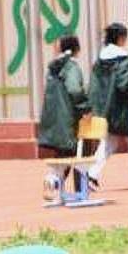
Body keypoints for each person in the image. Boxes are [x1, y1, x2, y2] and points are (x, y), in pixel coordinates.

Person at [88, 22, 128, 188]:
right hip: (124, 109)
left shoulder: (100, 61)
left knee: (108, 144)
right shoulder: (123, 60)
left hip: (107, 109)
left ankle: (91, 174)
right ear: (120, 38)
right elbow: (124, 85)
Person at [36, 35, 91, 190]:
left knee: (63, 154)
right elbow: (74, 89)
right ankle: (63, 185)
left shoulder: (53, 68)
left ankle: (55, 184)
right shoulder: (71, 67)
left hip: (53, 119)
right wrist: (85, 106)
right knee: (75, 153)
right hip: (67, 119)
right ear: (77, 50)